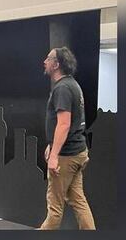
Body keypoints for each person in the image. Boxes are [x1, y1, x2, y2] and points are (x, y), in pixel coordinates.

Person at [39, 47, 96, 230]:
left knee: (54, 209)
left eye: (48, 59)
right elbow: (67, 124)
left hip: (66, 156)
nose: (44, 62)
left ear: (56, 64)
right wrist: (51, 144)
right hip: (78, 153)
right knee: (78, 200)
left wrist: (54, 155)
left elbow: (64, 124)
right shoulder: (73, 85)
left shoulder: (62, 88)